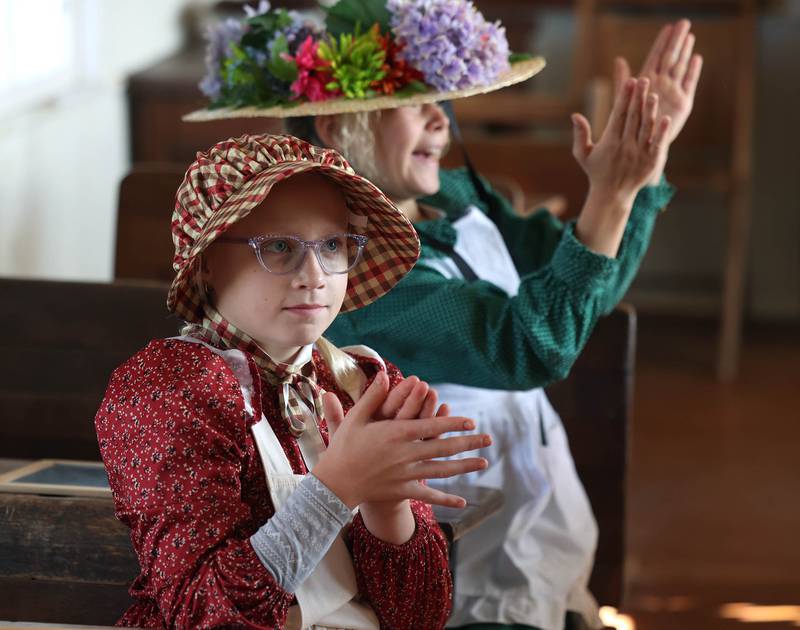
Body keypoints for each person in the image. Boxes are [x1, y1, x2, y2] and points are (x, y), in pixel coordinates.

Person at [190, 4, 702, 629]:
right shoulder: (357, 272)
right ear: (336, 123)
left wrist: (634, 186)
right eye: (414, 102)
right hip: (474, 552)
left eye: (445, 99)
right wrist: (614, 196)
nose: (441, 118)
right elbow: (533, 343)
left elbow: (582, 278)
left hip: (541, 506)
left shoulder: (451, 197)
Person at [95, 133, 491, 629]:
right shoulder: (171, 388)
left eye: (332, 245)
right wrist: (338, 486)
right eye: (279, 247)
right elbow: (206, 614)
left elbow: (418, 618)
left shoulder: (362, 382)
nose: (315, 275)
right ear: (209, 261)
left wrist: (387, 505)